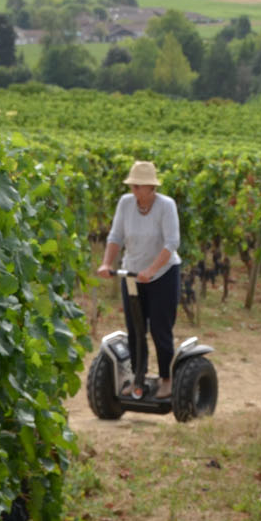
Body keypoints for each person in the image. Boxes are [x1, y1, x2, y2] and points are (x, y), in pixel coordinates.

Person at [96, 160, 181, 400]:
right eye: (132, 185)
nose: (133, 190)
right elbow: (116, 236)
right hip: (132, 274)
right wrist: (107, 263)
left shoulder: (166, 206)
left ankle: (166, 379)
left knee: (160, 329)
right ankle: (138, 378)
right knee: (135, 328)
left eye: (137, 186)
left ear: (150, 187)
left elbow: (171, 243)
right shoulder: (125, 203)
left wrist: (152, 270)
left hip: (163, 274)